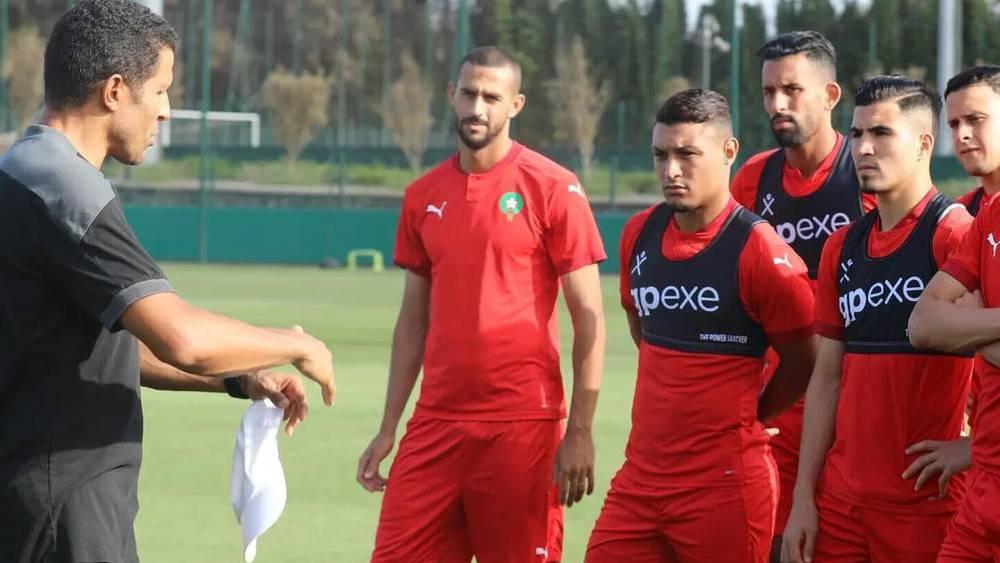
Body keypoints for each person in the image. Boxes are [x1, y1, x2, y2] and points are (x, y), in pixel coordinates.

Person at [0, 2, 336, 561]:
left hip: (35, 500)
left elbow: (110, 352)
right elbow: (183, 339)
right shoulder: (68, 192)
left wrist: (243, 379)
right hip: (65, 511)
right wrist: (298, 344)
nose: (167, 111)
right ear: (114, 92)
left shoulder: (22, 169)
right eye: (159, 90)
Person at [357, 46, 607, 563]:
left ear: (515, 105)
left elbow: (589, 318)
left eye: (492, 97)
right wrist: (388, 427)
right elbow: (413, 323)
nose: (477, 107)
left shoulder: (554, 187)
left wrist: (579, 429)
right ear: (451, 95)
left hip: (523, 429)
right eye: (468, 93)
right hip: (436, 425)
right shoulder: (422, 194)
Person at [585, 88, 817, 563]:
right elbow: (643, 330)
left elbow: (805, 358)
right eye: (661, 155)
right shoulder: (638, 233)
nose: (671, 170)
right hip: (639, 481)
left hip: (724, 485)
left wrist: (756, 414)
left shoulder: (761, 253)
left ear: (729, 152)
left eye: (687, 154)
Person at [782, 76, 973, 563]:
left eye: (882, 134)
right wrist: (805, 495)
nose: (863, 148)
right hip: (841, 503)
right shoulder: (840, 246)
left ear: (924, 144)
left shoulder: (954, 233)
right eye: (857, 134)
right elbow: (826, 378)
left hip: (927, 502)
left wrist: (973, 449)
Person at [730, 32, 875, 559]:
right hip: (777, 411)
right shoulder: (752, 179)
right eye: (769, 92)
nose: (778, 104)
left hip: (855, 410)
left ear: (831, 95)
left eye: (792, 89)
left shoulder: (866, 175)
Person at [895, 65, 1000, 518]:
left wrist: (968, 324)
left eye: (976, 120)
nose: (962, 135)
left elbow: (960, 326)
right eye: (954, 124)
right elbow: (930, 325)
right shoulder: (964, 218)